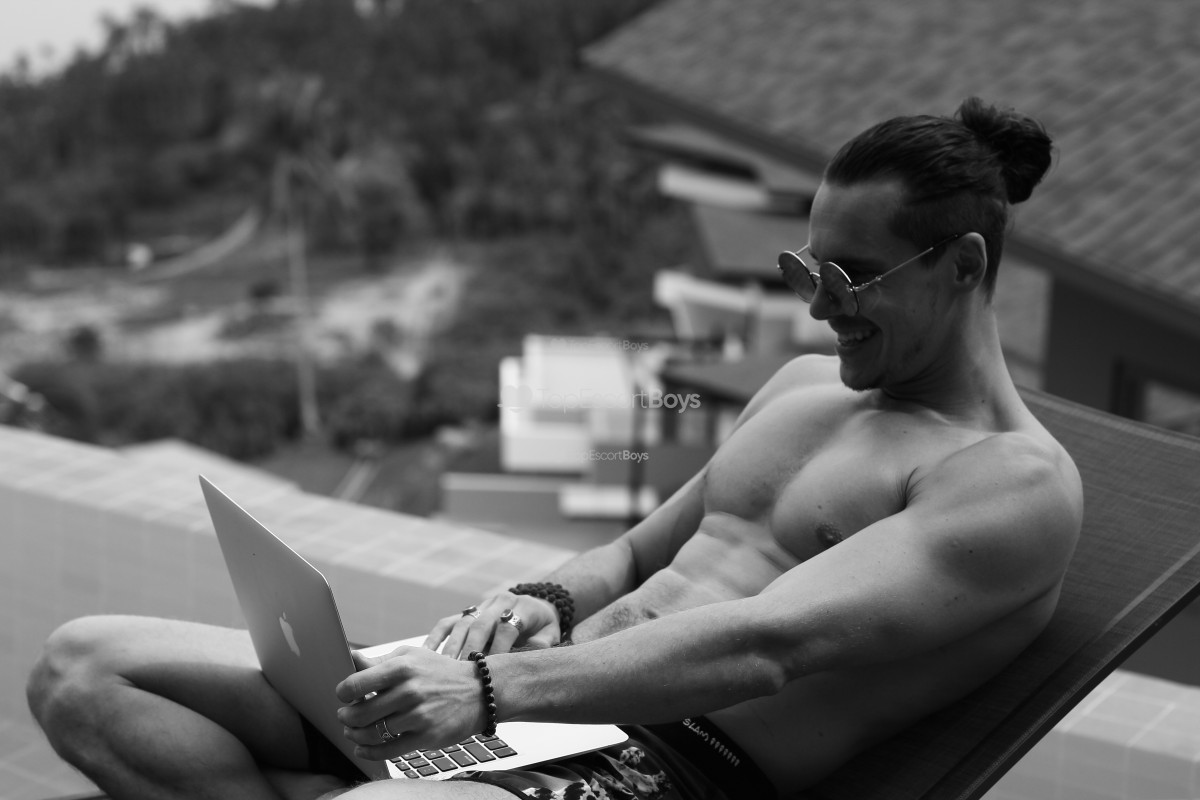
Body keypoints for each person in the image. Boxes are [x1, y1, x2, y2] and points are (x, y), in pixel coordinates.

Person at [26, 96, 1082, 800]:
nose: (817, 307)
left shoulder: (1007, 486)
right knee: (86, 669)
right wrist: (540, 600)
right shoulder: (805, 391)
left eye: (847, 280)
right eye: (804, 270)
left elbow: (769, 644)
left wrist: (486, 695)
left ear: (961, 266)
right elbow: (630, 557)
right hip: (520, 696)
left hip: (661, 760)